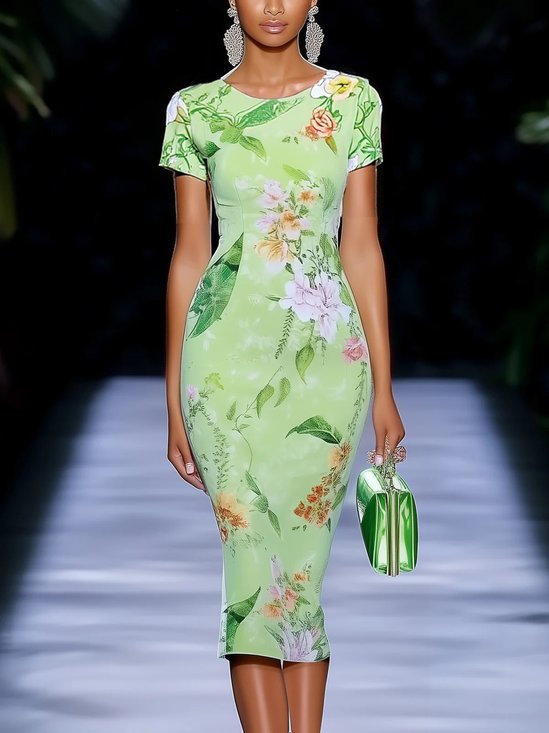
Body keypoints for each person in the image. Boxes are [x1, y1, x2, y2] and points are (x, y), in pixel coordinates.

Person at [158, 1, 405, 731]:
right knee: (248, 563)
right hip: (220, 367)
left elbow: (362, 245)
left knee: (301, 573)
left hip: (328, 364)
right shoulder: (194, 109)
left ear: (315, 1)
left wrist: (384, 387)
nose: (273, 5)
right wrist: (173, 395)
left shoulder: (352, 100)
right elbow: (188, 254)